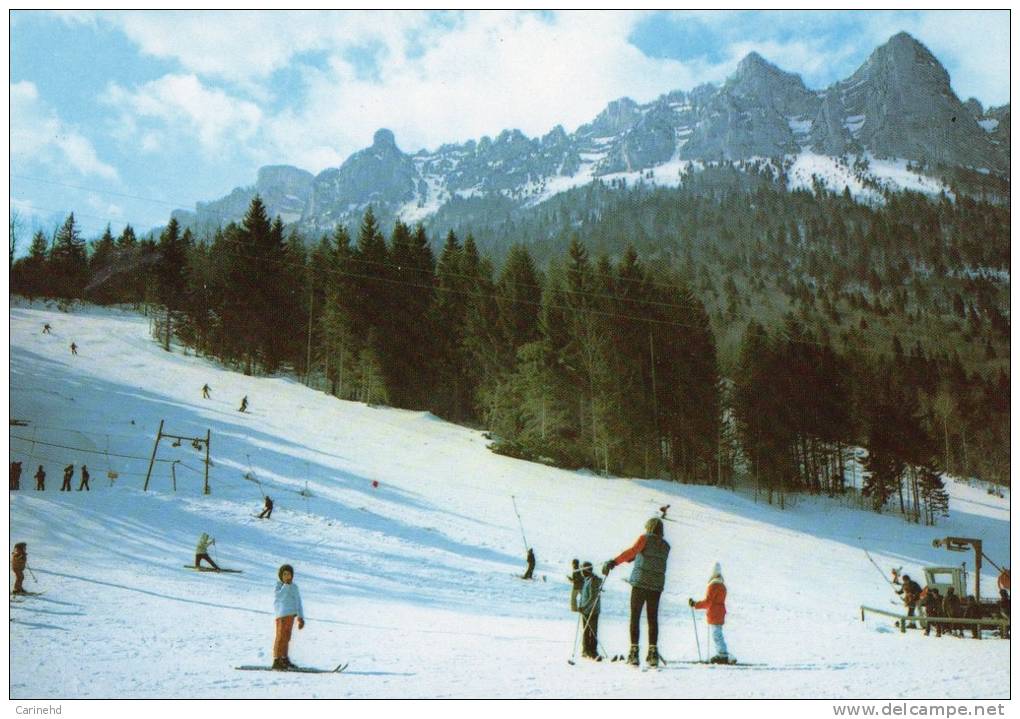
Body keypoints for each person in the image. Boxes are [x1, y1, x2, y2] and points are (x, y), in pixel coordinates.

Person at [603, 516, 670, 667]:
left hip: (640, 583)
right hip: (656, 586)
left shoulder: (644, 538)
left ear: (649, 527)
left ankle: (634, 653)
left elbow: (633, 551)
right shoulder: (666, 546)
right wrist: (636, 557)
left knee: (635, 617)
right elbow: (651, 558)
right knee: (652, 619)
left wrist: (614, 562)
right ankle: (653, 654)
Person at [690, 561, 729, 663]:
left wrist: (695, 604)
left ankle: (722, 654)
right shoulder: (723, 585)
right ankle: (722, 653)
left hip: (714, 613)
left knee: (716, 634)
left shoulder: (713, 585)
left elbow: (708, 602)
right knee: (718, 633)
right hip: (720, 612)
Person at [273, 564, 305, 670]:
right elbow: (279, 596)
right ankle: (276, 660)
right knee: (280, 637)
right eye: (284, 574)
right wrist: (285, 585)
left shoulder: (294, 587)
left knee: (287, 638)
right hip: (281, 615)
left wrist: (300, 617)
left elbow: (298, 602)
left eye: (289, 574)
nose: (287, 576)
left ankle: (284, 658)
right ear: (281, 576)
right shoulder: (279, 586)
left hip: (291, 616)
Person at [577, 561, 602, 660]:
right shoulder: (587, 579)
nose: (581, 572)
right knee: (586, 631)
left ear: (586, 570)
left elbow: (593, 597)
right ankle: (586, 650)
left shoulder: (593, 581)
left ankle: (593, 651)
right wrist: (581, 605)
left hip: (592, 610)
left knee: (592, 631)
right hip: (586, 610)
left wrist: (584, 606)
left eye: (582, 570)